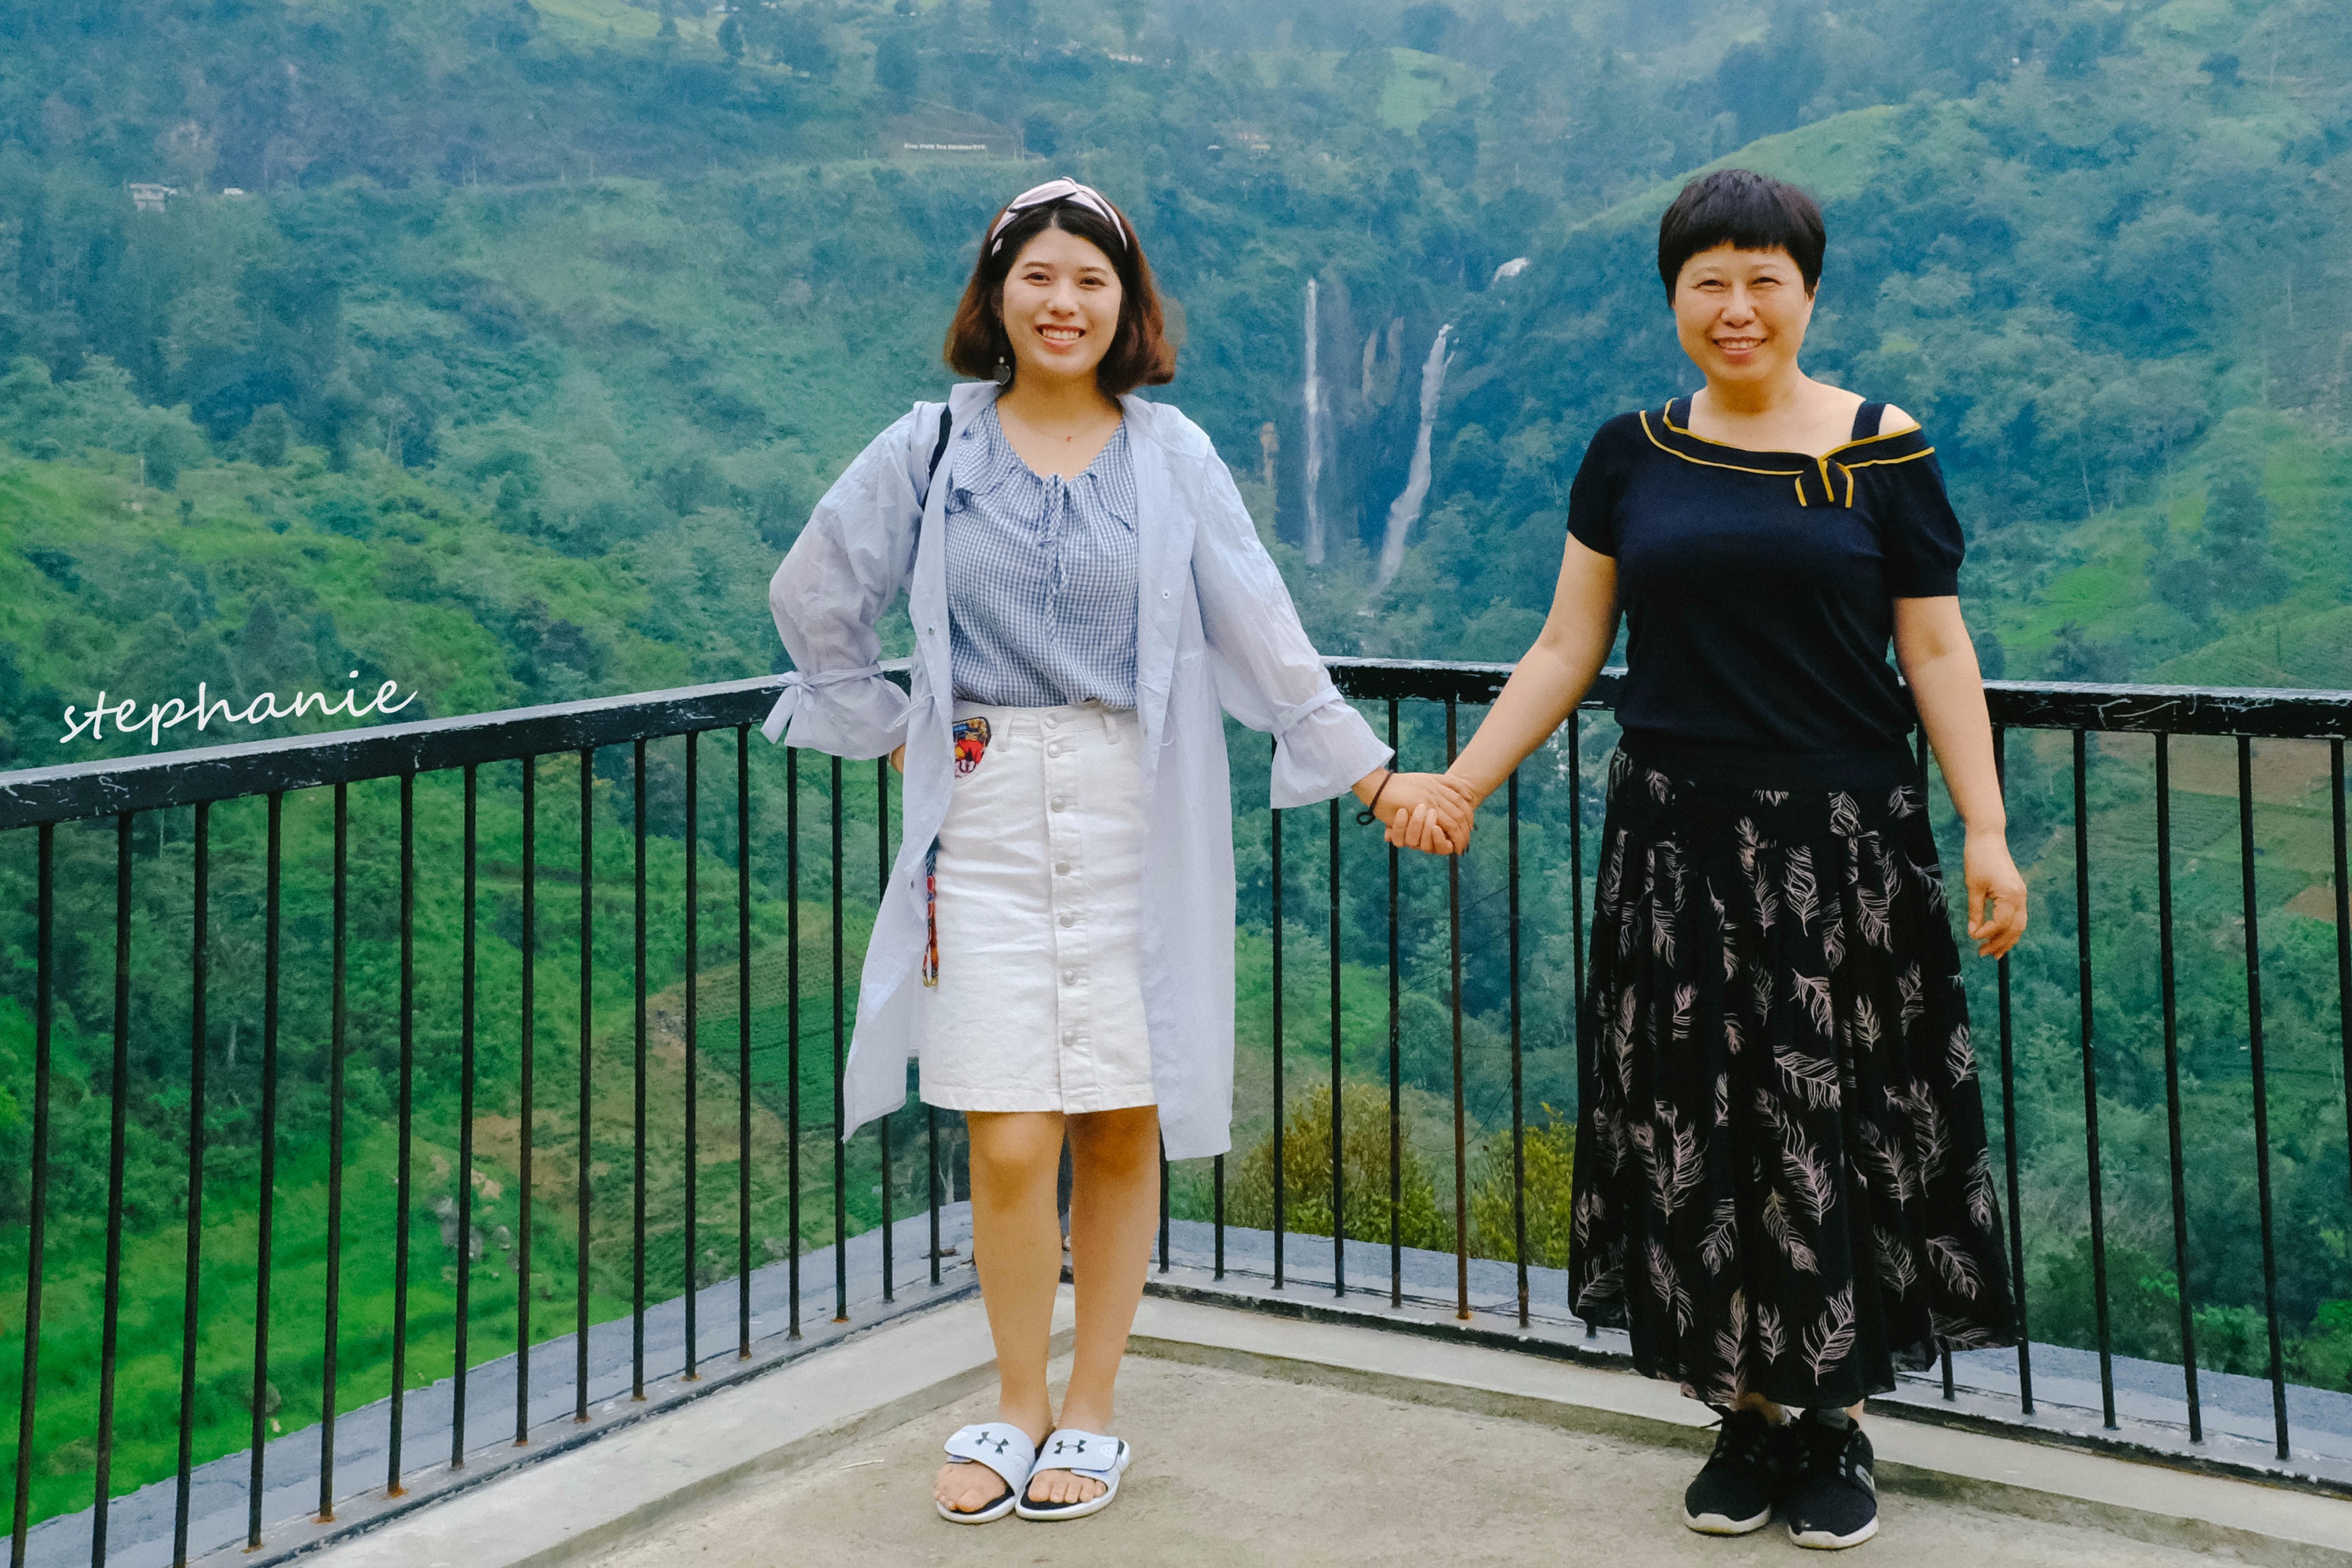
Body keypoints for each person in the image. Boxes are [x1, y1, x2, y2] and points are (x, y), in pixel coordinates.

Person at [761, 176, 1471, 1526]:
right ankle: (1012, 1398)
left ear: (1125, 306)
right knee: (1007, 1127)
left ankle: (1087, 1405)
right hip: (982, 811)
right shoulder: (927, 447)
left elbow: (1258, 621)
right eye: (1037, 275)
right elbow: (815, 588)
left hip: (1134, 805)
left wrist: (1374, 773)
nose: (1063, 302)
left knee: (1115, 1114)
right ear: (995, 296)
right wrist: (890, 727)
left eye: (1090, 280)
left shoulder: (1169, 454)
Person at [1389, 168, 2026, 1550]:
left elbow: (1933, 647)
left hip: (1842, 849)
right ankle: (1742, 1411)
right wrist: (1460, 781)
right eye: (1707, 283)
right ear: (1672, 298)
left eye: (1762, 280)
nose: (1735, 307)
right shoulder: (1629, 453)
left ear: (1808, 291)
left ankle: (1834, 1419)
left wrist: (1983, 826)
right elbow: (1568, 643)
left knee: (1836, 1118)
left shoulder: (1880, 448)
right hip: (1673, 845)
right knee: (1698, 1123)